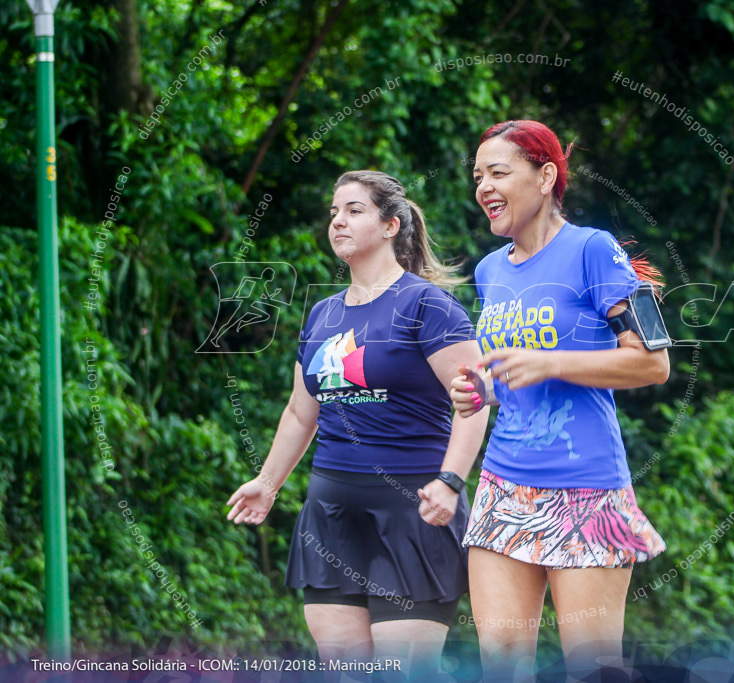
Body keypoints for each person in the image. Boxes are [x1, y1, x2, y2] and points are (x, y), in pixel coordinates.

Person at [227, 171, 489, 677]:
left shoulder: (427, 306)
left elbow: (473, 401)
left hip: (413, 512)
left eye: (353, 210)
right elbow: (301, 412)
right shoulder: (322, 314)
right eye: (333, 212)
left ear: (391, 225)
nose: (338, 221)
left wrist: (451, 480)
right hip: (333, 512)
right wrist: (267, 482)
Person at [450, 120, 670, 681]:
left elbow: (654, 362)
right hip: (503, 486)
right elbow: (510, 377)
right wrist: (482, 390)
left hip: (586, 492)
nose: (484, 187)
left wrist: (549, 362)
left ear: (546, 176)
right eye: (479, 176)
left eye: (499, 172)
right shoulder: (489, 271)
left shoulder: (594, 250)